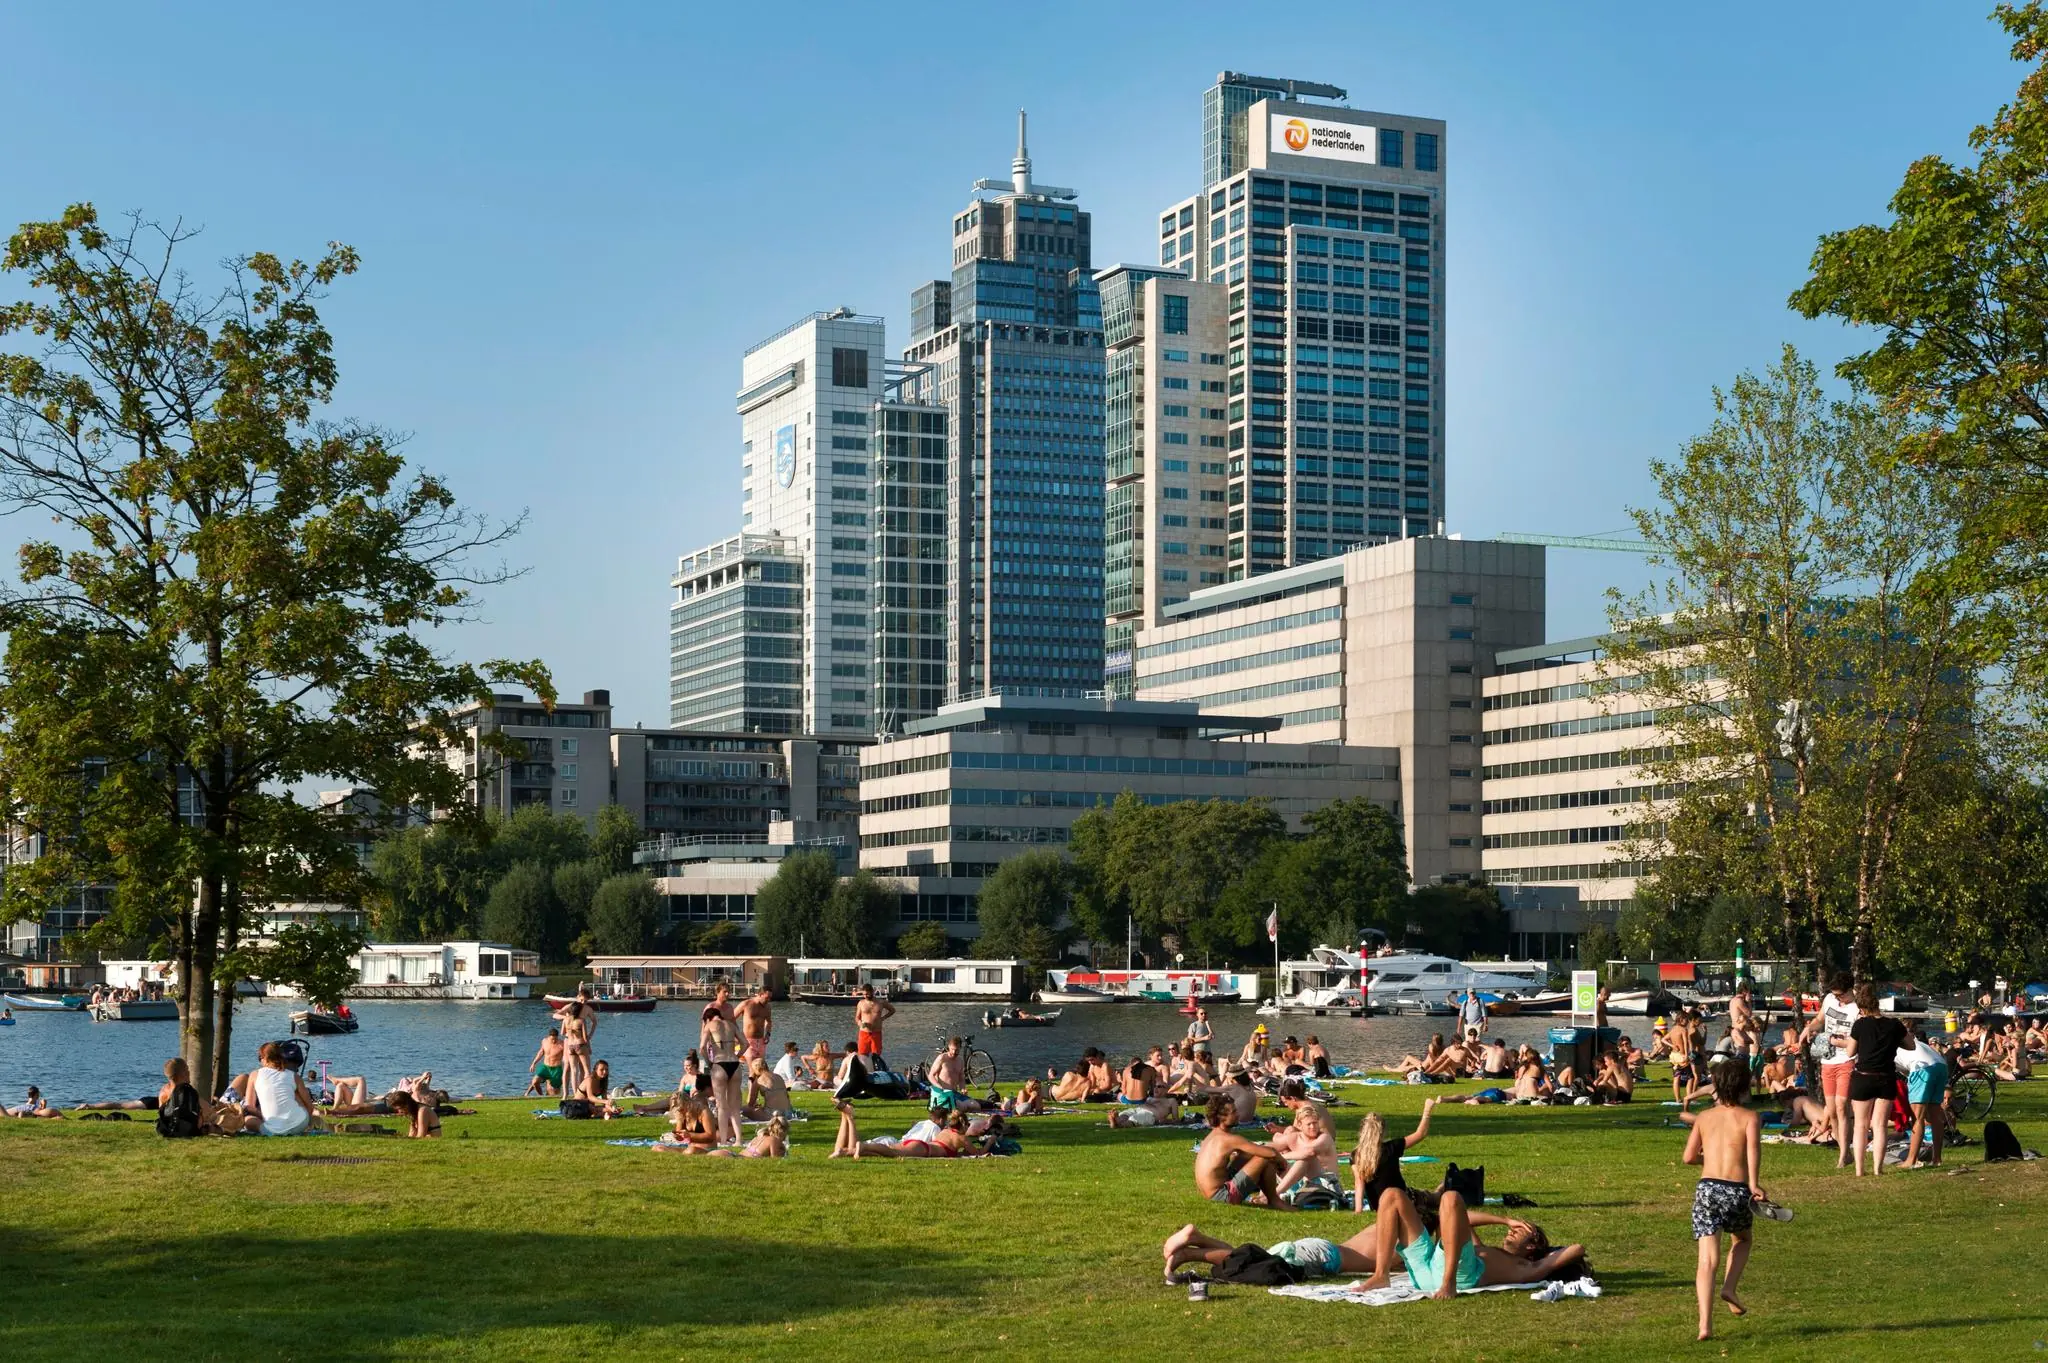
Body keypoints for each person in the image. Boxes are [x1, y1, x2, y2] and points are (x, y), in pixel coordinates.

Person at [1683, 1056, 1776, 1342]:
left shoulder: (1704, 1117)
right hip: (1736, 1190)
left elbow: (1688, 1158)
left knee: (1706, 1261)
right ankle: (1729, 1288)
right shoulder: (1750, 1117)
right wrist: (1754, 1184)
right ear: (1743, 1087)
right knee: (1743, 1240)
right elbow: (1753, 1153)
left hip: (1707, 1190)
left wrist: (1708, 1160)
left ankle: (1704, 1326)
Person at [1356, 1187, 1582, 1300]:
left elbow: (1577, 1248)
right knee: (1391, 1195)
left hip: (1459, 1276)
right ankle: (1381, 1275)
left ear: (1532, 1247)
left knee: (1451, 1196)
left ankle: (1448, 1283)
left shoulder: (1528, 1269)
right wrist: (1505, 1219)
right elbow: (1461, 1218)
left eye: (1522, 1232)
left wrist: (1549, 1256)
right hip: (1428, 1269)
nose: (1513, 1232)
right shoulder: (1479, 1247)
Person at [1347, 1098, 1439, 1281]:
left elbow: (1359, 1183)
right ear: (1382, 1132)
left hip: (1381, 1206)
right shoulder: (1392, 1147)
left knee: (1433, 1197)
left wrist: (1358, 1209)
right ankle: (1447, 1186)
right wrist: (1427, 1110)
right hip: (1408, 1199)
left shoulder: (1356, 1155)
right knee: (1436, 1198)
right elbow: (1420, 1133)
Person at [1162, 1223, 1377, 1283]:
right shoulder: (1399, 1247)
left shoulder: (1380, 1228)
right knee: (1250, 1261)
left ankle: (1198, 1239)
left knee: (1251, 1257)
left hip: (1318, 1250)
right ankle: (1189, 1254)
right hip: (1321, 1257)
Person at [1798, 972, 1859, 1169]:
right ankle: (1846, 1152)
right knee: (1831, 1109)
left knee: (1842, 1106)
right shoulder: (1830, 999)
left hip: (1847, 1059)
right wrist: (1809, 1028)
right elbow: (1819, 1019)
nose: (1838, 999)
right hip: (1828, 1060)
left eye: (1841, 995)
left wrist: (1839, 1041)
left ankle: (1843, 1154)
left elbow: (1858, 1040)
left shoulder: (1857, 1009)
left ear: (1851, 990)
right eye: (1836, 995)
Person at [1844, 982, 1906, 1177]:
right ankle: (1878, 1169)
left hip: (1863, 1077)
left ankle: (1860, 1170)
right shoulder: (1894, 1024)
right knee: (1879, 1125)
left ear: (1861, 1008)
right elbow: (1911, 1045)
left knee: (1861, 1125)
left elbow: (1850, 1052)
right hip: (1886, 1078)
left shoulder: (1860, 1024)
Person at [1194, 1093, 1282, 1206]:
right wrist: (1282, 1162)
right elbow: (1270, 1153)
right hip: (1222, 1197)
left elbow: (1248, 1152)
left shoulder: (1212, 1136)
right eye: (1234, 1112)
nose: (1238, 1114)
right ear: (1221, 1117)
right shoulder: (1229, 1139)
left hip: (1212, 1195)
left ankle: (1267, 1197)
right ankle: (1274, 1200)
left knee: (1244, 1156)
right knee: (1263, 1158)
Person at [1896, 1019, 1947, 1170]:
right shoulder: (1914, 1041)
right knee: (1935, 1116)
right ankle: (1937, 1159)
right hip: (1940, 1066)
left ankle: (1911, 1160)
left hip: (1922, 1068)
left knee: (1917, 1118)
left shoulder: (1888, 1046)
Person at [244, 1042, 317, 1136]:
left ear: (263, 1058)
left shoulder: (254, 1075)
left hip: (272, 1129)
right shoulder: (294, 1076)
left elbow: (250, 1107)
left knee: (248, 1120)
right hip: (299, 1123)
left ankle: (271, 1127)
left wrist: (264, 1117)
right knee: (294, 1093)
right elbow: (309, 1106)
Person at [734, 984, 774, 1104]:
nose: (768, 1000)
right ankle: (751, 1101)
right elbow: (731, 1018)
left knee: (761, 1071)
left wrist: (768, 1034)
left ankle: (753, 1099)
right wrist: (737, 1036)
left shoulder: (767, 1008)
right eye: (767, 997)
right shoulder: (747, 1004)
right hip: (748, 1041)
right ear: (760, 994)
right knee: (753, 1070)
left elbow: (769, 1022)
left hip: (761, 1041)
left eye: (770, 998)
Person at [557, 985, 598, 1098]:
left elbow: (595, 1022)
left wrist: (566, 1020)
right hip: (578, 1043)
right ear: (578, 997)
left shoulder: (586, 1010)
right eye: (581, 1000)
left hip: (570, 1043)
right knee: (581, 1069)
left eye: (585, 1000)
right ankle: (574, 1093)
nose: (583, 1002)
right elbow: (556, 1015)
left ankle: (577, 1093)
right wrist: (588, 1044)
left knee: (575, 1070)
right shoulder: (579, 1018)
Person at [853, 984, 895, 1068]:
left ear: (872, 992)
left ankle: (876, 1072)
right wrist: (860, 1023)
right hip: (864, 1033)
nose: (865, 996)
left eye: (867, 994)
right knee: (862, 1055)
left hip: (876, 1033)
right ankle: (864, 1072)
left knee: (876, 1055)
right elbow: (857, 1018)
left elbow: (892, 1010)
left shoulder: (881, 1002)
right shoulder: (861, 1003)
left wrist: (883, 1018)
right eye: (864, 994)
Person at [741, 1057, 793, 1122]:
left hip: (772, 1115)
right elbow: (786, 1096)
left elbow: (750, 1104)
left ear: (756, 1069)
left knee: (743, 1109)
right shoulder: (778, 1077)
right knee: (761, 1108)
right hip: (788, 1113)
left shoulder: (758, 1081)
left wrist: (750, 1084)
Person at [528, 1028, 565, 1097]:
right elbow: (541, 1052)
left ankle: (549, 1097)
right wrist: (533, 1063)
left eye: (555, 1039)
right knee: (535, 1081)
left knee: (554, 1093)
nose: (554, 1041)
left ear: (558, 1037)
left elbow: (567, 1056)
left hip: (556, 1069)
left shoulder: (562, 1044)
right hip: (545, 1067)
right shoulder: (544, 1041)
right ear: (548, 1037)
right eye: (552, 1039)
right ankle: (541, 1096)